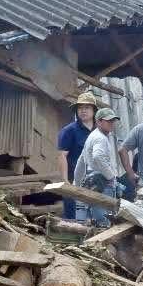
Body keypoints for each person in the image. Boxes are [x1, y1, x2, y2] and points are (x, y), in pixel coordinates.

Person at [73, 107, 122, 226]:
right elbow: (98, 157)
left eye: (113, 121)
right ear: (99, 122)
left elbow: (81, 160)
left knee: (94, 217)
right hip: (102, 182)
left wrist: (77, 183)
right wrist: (111, 177)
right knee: (104, 220)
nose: (111, 124)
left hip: (92, 181)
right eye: (108, 121)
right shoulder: (100, 138)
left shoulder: (93, 136)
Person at [56, 91, 100, 220]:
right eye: (80, 108)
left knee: (95, 216)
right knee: (74, 217)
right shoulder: (69, 131)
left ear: (94, 110)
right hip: (74, 179)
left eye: (87, 107)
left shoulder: (99, 130)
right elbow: (62, 155)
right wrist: (65, 181)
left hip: (94, 180)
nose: (83, 110)